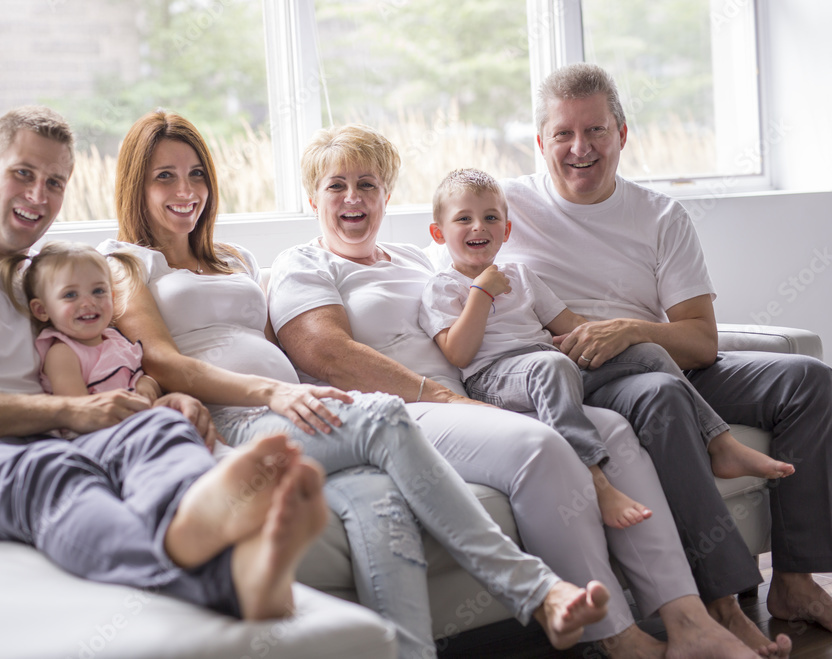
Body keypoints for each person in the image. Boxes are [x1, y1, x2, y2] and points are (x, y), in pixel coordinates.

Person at [100, 109, 611, 659]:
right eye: (165, 176)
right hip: (236, 422)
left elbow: (280, 345)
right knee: (385, 416)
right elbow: (162, 360)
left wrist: (296, 388)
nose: (187, 190)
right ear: (137, 185)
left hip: (293, 409)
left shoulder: (234, 257)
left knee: (382, 505)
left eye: (196, 173)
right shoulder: (125, 261)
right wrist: (271, 392)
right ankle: (536, 589)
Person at [267, 121, 775, 658]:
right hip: (402, 412)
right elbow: (324, 353)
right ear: (311, 198)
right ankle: (617, 637)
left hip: (476, 399)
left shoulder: (417, 259)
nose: (353, 198)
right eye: (336, 186)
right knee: (539, 449)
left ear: (386, 196)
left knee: (615, 430)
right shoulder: (303, 264)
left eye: (367, 184)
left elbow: (484, 291)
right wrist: (438, 395)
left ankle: (687, 619)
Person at [0, 105, 330, 622]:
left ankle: (203, 519)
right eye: (23, 173)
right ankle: (223, 579)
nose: (38, 196)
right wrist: (66, 412)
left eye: (55, 183)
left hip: (49, 441)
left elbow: (102, 367)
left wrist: (156, 395)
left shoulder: (47, 283)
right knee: (50, 471)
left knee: (158, 432)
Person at [493, 61, 823, 656]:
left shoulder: (660, 215)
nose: (580, 148)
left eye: (595, 131)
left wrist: (629, 329)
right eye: (563, 134)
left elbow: (701, 340)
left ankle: (796, 582)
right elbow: (460, 282)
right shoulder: (507, 208)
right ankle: (722, 605)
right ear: (540, 142)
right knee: (660, 395)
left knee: (809, 380)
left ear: (622, 134)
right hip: (579, 374)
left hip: (657, 356)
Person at [420, 167, 794, 530]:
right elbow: (459, 353)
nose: (478, 227)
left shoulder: (521, 276)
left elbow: (569, 323)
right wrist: (481, 293)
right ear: (439, 233)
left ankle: (720, 441)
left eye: (490, 217)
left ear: (507, 229)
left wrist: (615, 335)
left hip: (550, 365)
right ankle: (596, 483)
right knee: (550, 366)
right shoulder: (442, 287)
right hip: (495, 379)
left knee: (646, 350)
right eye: (463, 219)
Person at [0, 239, 161, 402]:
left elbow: (138, 375)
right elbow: (79, 407)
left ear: (112, 298)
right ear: (42, 310)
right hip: (106, 425)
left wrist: (147, 383)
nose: (88, 303)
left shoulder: (117, 339)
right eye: (70, 295)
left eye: (98, 291)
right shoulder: (63, 353)